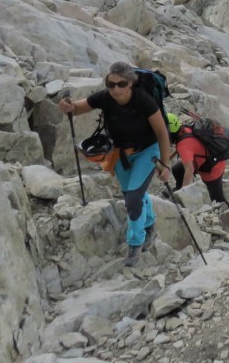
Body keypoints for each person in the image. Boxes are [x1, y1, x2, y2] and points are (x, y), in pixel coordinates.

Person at [60, 62, 172, 267]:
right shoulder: (105, 97)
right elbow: (77, 108)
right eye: (111, 84)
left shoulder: (144, 101)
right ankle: (149, 223)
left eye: (121, 84)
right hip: (120, 154)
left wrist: (165, 165)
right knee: (132, 193)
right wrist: (69, 107)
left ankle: (135, 244)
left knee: (132, 197)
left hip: (148, 152)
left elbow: (163, 133)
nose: (116, 89)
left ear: (130, 83)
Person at [169, 113, 227, 205]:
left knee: (217, 199)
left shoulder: (183, 145)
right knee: (177, 170)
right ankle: (178, 189)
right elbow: (190, 145)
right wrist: (167, 158)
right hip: (212, 159)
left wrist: (183, 195)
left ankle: (227, 212)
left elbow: (189, 170)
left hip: (214, 169)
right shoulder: (185, 129)